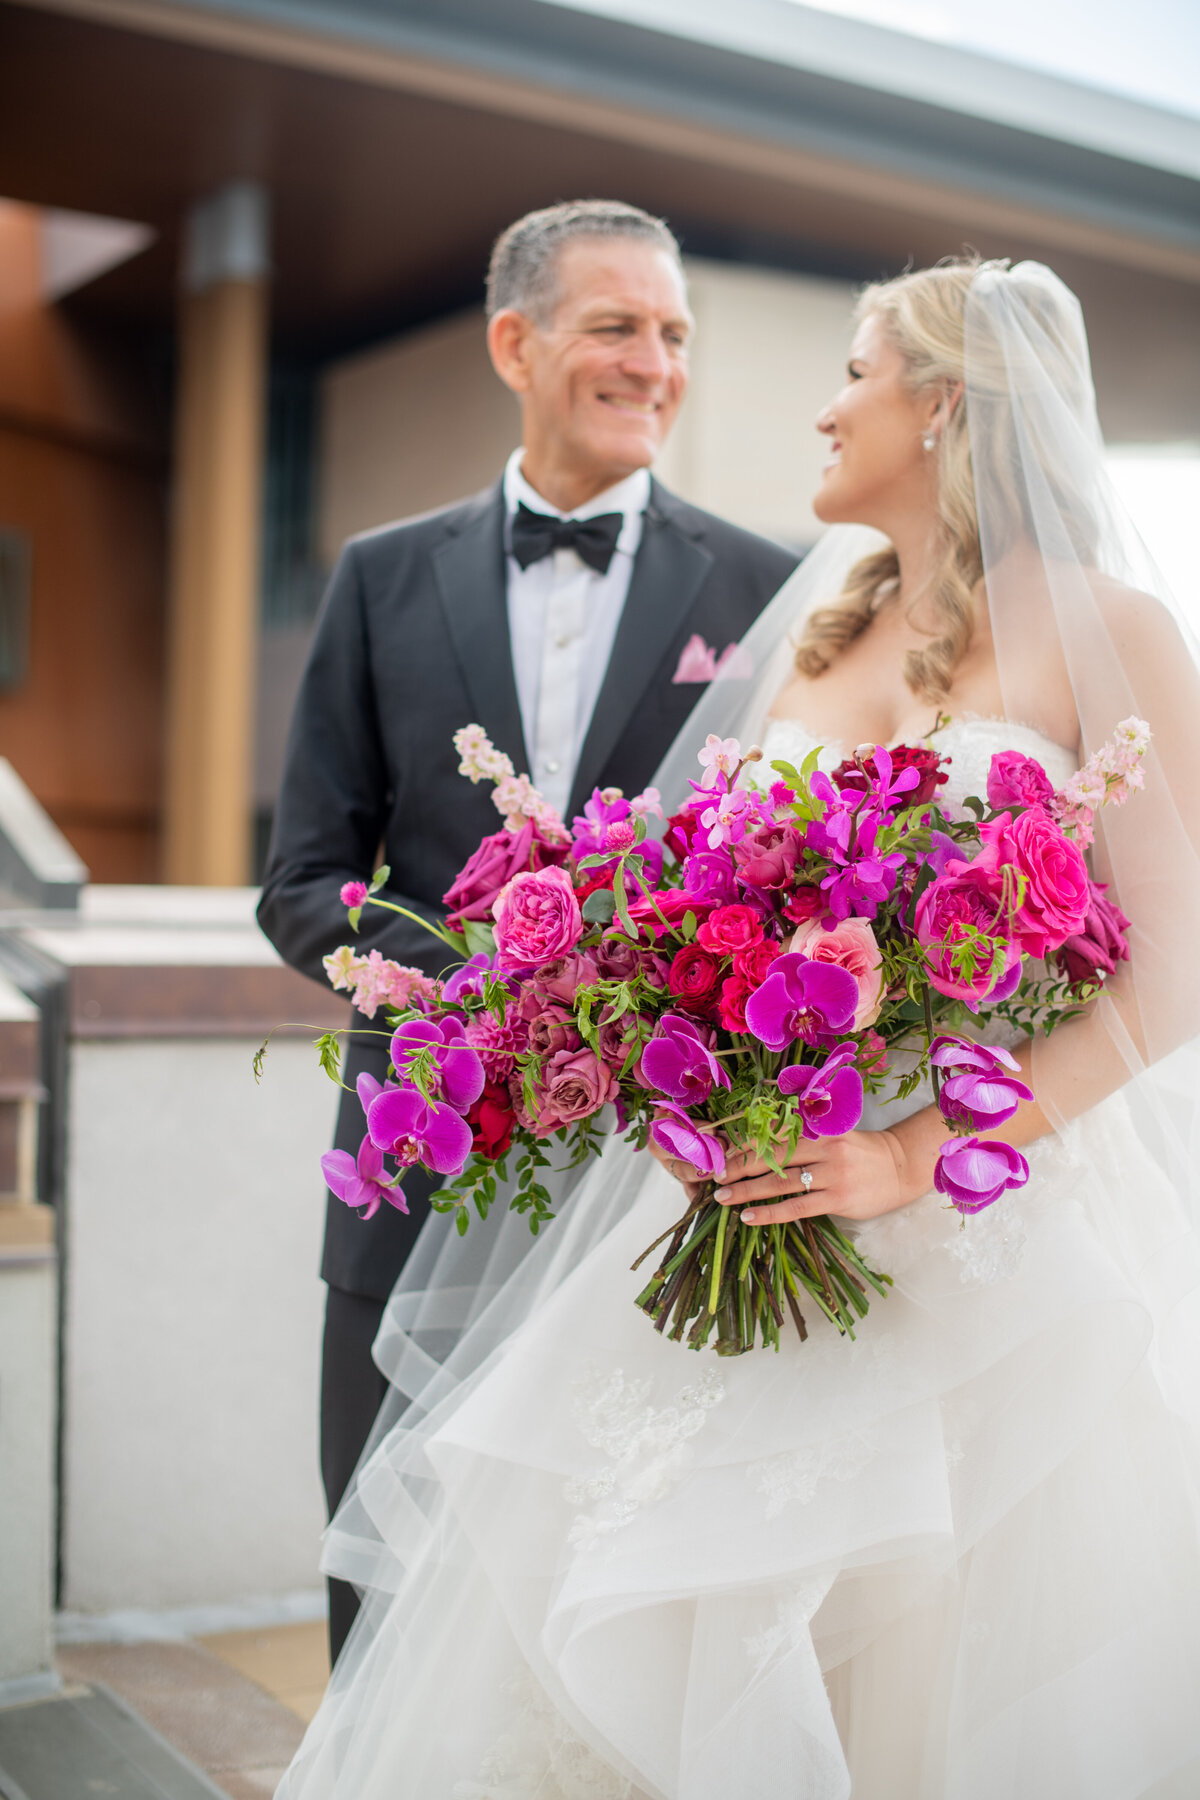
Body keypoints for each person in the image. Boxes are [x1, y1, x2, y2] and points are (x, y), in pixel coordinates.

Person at [274, 258, 1200, 1798]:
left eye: (856, 370)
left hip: (985, 1252)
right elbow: (697, 906)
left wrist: (916, 1148)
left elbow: (1176, 974)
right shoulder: (819, 640)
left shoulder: (1117, 634)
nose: (826, 407)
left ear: (946, 403)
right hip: (735, 1198)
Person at [257, 199, 799, 1665]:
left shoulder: (768, 588)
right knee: (379, 1567)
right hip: (411, 1163)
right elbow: (303, 878)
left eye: (674, 332)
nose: (655, 363)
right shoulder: (379, 574)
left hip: (647, 1186)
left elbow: (785, 879)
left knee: (611, 1593)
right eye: (616, 325)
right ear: (518, 342)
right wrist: (476, 993)